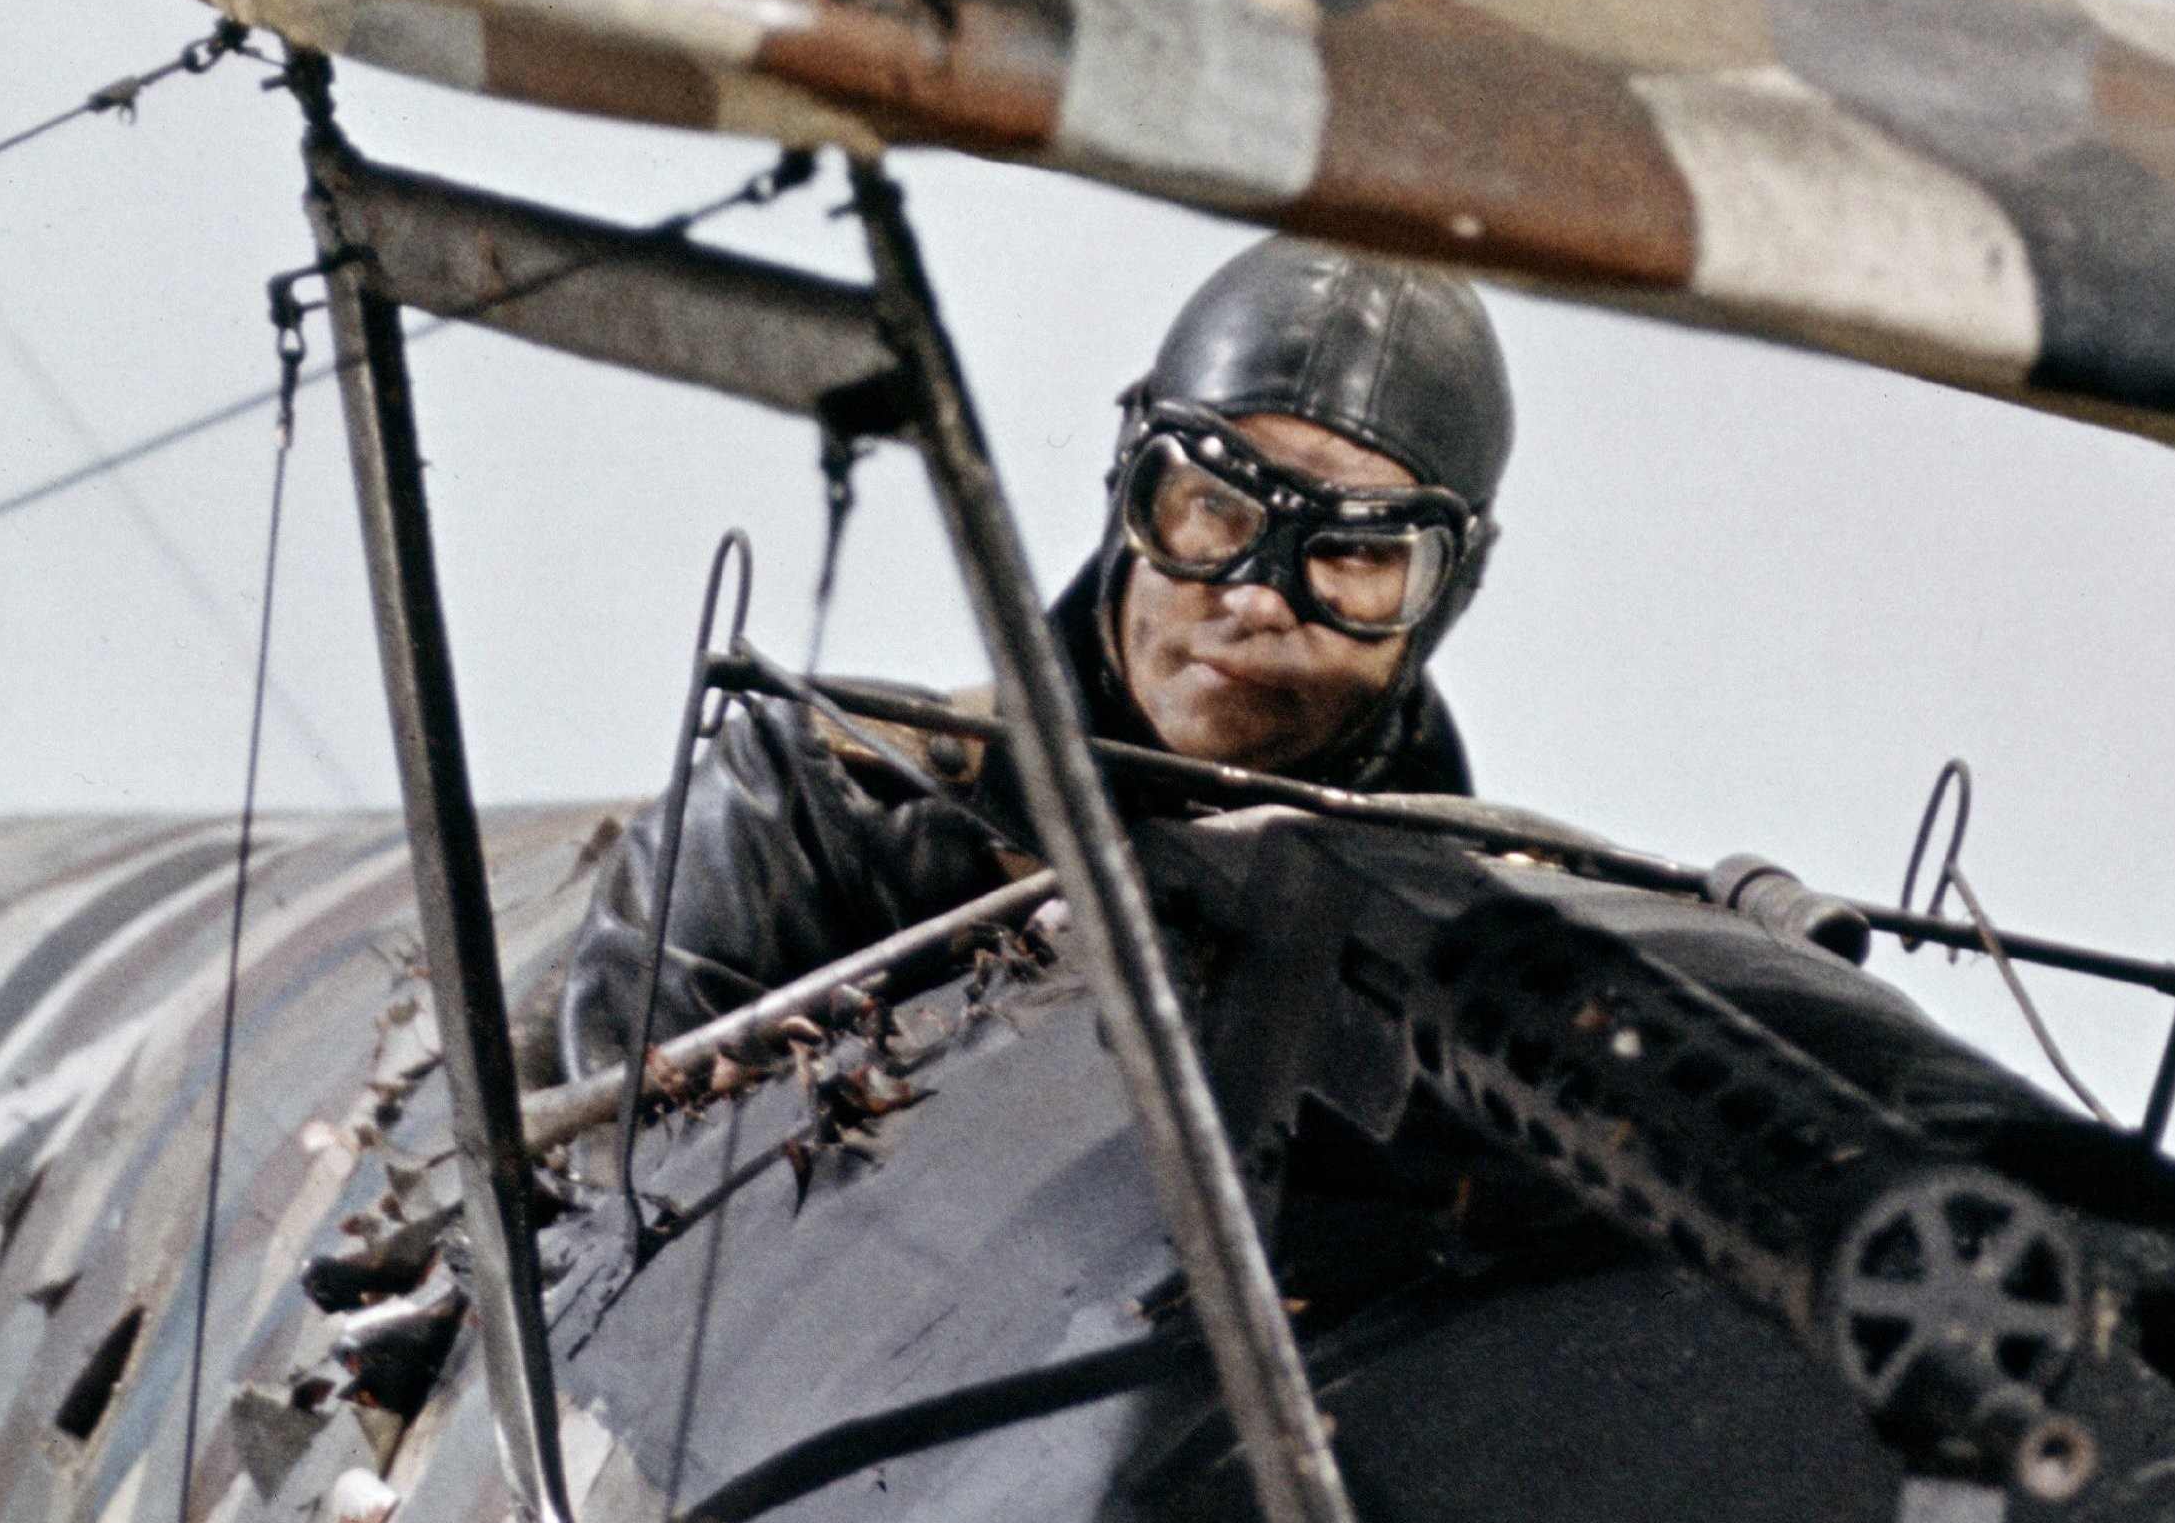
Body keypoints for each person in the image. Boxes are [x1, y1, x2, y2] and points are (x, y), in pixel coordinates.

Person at [553, 236, 1512, 1080]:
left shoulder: (1501, 980)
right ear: (1128, 486)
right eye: (1213, 502)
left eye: (1353, 551)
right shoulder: (821, 815)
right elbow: (602, 1203)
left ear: (1445, 595)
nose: (1257, 596)